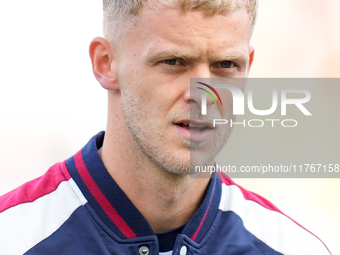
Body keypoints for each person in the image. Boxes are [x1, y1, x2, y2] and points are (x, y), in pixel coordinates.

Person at [0, 0, 332, 254]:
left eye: (226, 65)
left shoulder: (295, 248)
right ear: (106, 63)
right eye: (173, 62)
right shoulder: (12, 237)